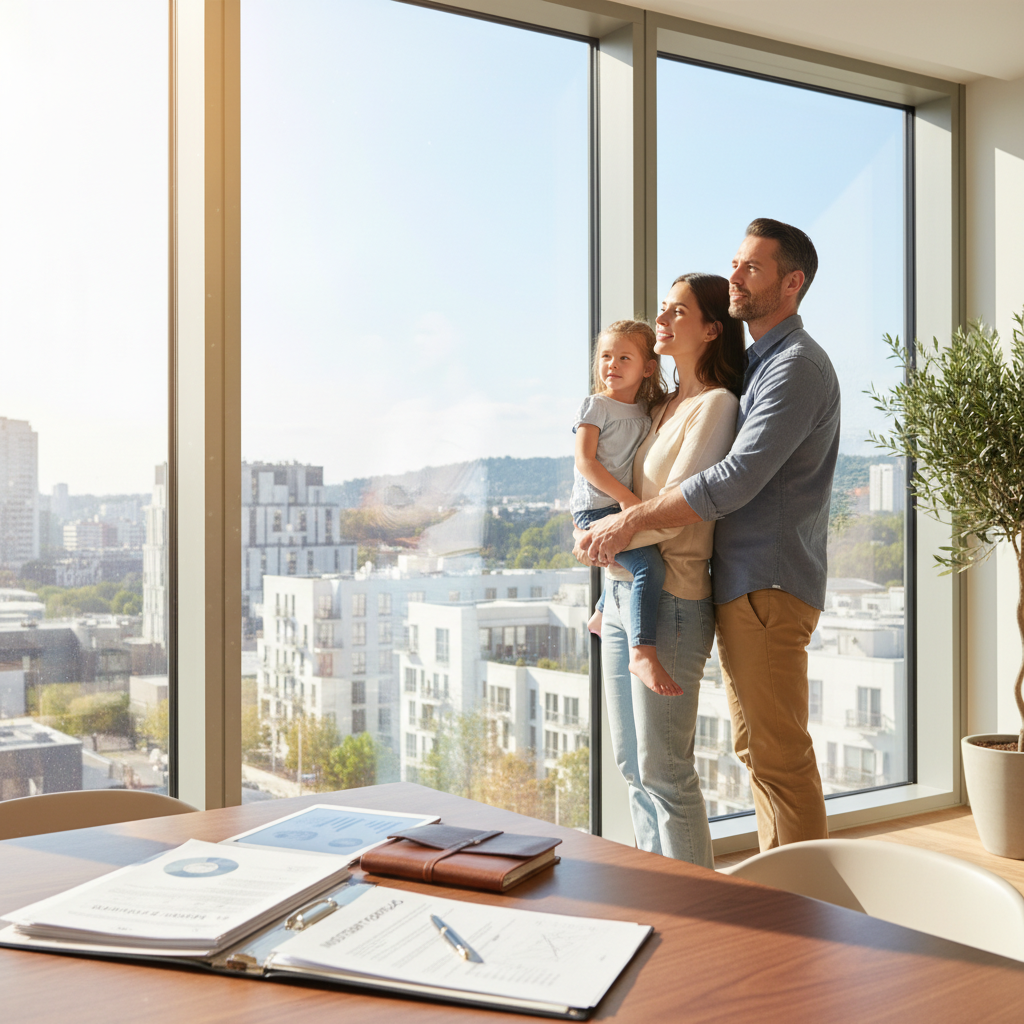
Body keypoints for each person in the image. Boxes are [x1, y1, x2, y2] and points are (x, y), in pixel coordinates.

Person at [579, 219, 840, 853]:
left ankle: (802, 906)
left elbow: (736, 477)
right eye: (735, 263)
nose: (735, 277)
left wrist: (629, 521)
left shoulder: (795, 366)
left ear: (792, 282)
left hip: (768, 582)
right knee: (752, 751)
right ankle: (782, 893)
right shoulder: (754, 366)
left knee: (773, 755)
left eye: (751, 267)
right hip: (737, 584)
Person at [576, 274, 743, 866]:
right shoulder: (659, 405)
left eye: (679, 311)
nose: (664, 319)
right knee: (630, 766)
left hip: (671, 599)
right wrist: (599, 535)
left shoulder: (715, 406)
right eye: (662, 309)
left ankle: (702, 900)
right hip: (621, 595)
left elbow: (677, 511)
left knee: (665, 771)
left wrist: (605, 532)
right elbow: (616, 483)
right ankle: (664, 893)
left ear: (711, 328)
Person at [570, 321, 673, 695]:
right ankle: (642, 651)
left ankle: (600, 613)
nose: (611, 364)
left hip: (619, 507)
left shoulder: (647, 409)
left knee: (627, 558)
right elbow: (586, 462)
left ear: (647, 367)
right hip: (597, 508)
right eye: (606, 356)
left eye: (624, 357)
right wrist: (629, 503)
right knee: (647, 566)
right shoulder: (596, 405)